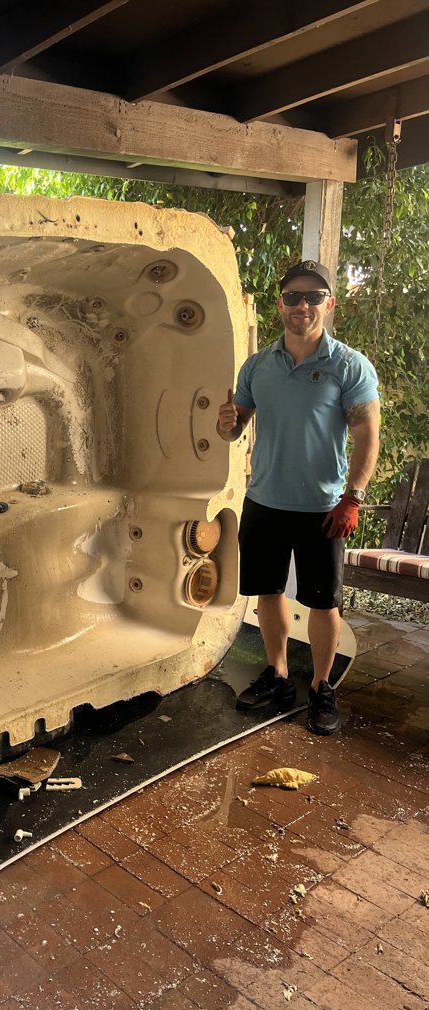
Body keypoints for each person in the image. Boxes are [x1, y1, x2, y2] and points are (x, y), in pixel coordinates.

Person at [217, 260, 380, 735]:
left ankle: (322, 687)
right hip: (265, 499)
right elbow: (234, 427)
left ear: (329, 304)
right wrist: (226, 424)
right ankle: (278, 674)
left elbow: (368, 437)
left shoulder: (349, 365)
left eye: (313, 296)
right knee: (267, 593)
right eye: (293, 296)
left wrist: (353, 498)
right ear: (280, 304)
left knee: (323, 603)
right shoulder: (257, 366)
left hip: (323, 508)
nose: (302, 305)